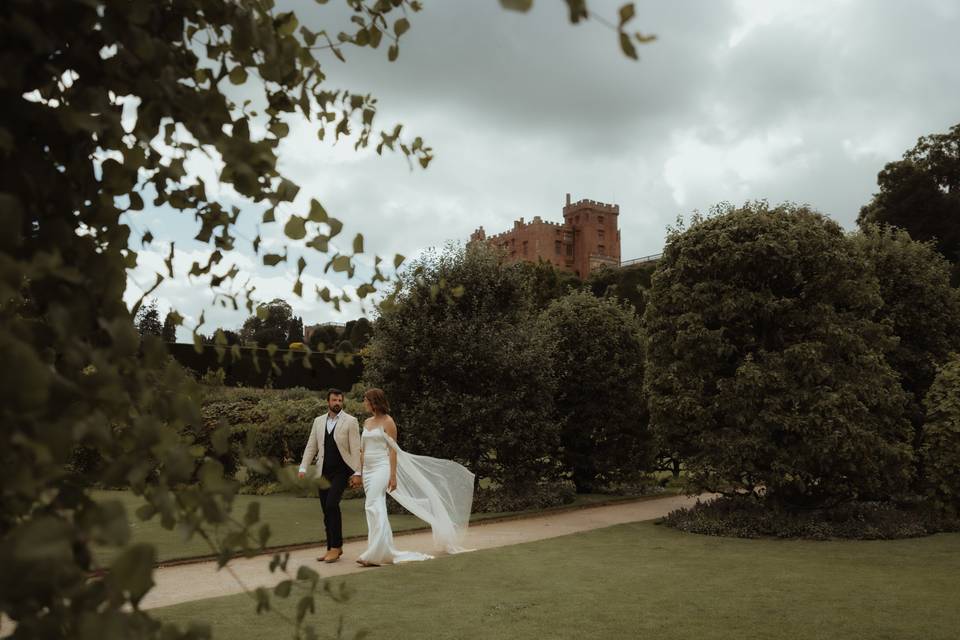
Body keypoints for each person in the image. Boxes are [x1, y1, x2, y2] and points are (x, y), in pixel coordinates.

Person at [356, 388, 476, 567]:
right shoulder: (366, 422)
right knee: (372, 508)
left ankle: (375, 553)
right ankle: (381, 550)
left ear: (374, 402)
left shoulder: (388, 422)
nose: (364, 403)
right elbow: (363, 450)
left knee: (374, 506)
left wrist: (393, 475)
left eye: (366, 400)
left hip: (382, 468)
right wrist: (360, 471)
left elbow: (393, 451)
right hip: (368, 471)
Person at [298, 388, 362, 563]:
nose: (337, 403)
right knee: (326, 511)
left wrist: (358, 472)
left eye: (340, 400)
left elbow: (356, 448)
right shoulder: (318, 421)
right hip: (323, 472)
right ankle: (331, 548)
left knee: (332, 504)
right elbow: (311, 446)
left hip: (341, 471)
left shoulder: (351, 421)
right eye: (334, 400)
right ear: (328, 402)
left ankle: (336, 546)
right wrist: (303, 467)